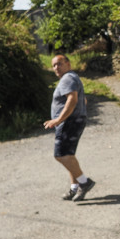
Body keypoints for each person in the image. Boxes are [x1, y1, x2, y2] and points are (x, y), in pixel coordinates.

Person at [43, 54, 95, 201]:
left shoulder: (67, 78)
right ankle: (74, 188)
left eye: (59, 64)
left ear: (68, 64)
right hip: (73, 120)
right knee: (69, 156)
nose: (56, 68)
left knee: (60, 155)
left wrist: (59, 119)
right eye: (53, 65)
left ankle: (85, 183)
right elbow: (82, 100)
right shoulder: (72, 77)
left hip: (69, 122)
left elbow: (72, 98)